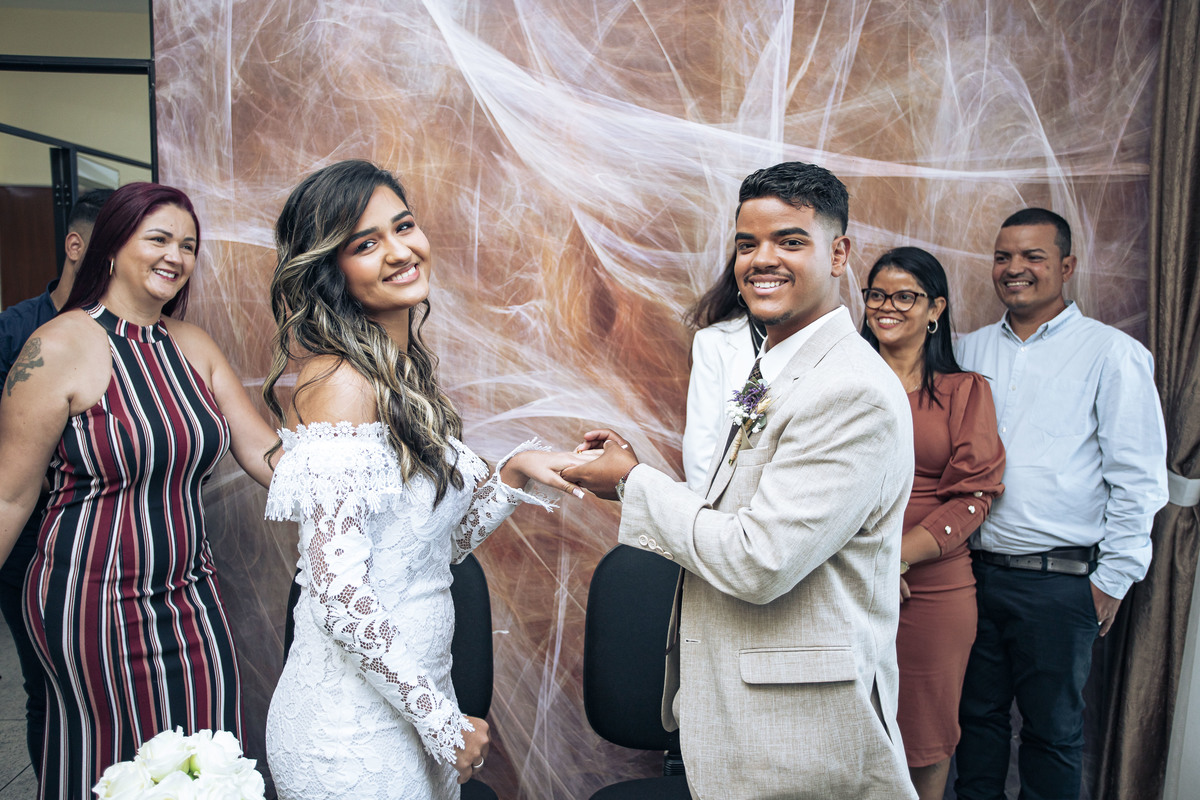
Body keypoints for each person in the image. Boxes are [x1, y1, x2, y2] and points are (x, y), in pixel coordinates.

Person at [564, 161, 918, 799]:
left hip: (799, 735)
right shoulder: (771, 366)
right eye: (747, 244)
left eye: (790, 241)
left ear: (839, 254)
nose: (762, 260)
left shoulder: (851, 391)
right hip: (743, 719)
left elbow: (760, 560)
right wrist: (633, 469)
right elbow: (729, 503)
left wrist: (634, 483)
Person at [261, 159, 593, 799]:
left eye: (403, 226)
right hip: (350, 733)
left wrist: (511, 475)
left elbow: (428, 551)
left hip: (414, 707)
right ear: (331, 270)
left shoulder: (401, 371)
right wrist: (444, 724)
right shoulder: (341, 383)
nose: (399, 251)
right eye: (366, 244)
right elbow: (337, 595)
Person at [0, 182, 279, 799]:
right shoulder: (56, 345)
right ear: (112, 244)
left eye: (188, 245)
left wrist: (367, 476)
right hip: (88, 599)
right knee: (104, 764)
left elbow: (264, 451)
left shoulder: (194, 345)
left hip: (191, 593)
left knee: (210, 754)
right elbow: (9, 496)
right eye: (158, 239)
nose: (175, 256)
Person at [953, 208, 1168, 800]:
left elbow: (1138, 478)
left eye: (1033, 256)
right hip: (969, 577)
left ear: (1067, 266)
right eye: (1003, 257)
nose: (1014, 268)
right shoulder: (967, 351)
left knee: (1052, 735)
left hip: (1060, 583)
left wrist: (1113, 579)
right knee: (974, 726)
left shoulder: (1111, 353)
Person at [859, 246, 1005, 800]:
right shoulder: (837, 378)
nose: (887, 307)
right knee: (840, 732)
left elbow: (974, 497)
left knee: (923, 739)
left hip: (931, 593)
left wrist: (893, 560)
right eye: (877, 295)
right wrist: (866, 564)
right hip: (837, 577)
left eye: (905, 297)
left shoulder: (966, 391)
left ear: (935, 308)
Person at [0, 187, 111, 775]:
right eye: (110, 245)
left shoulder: (136, 335)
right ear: (75, 246)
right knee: (46, 686)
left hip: (103, 546)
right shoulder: (15, 330)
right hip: (28, 543)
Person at [681, 257, 765, 490]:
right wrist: (710, 510)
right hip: (725, 504)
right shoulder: (713, 342)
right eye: (748, 246)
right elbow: (700, 455)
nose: (765, 260)